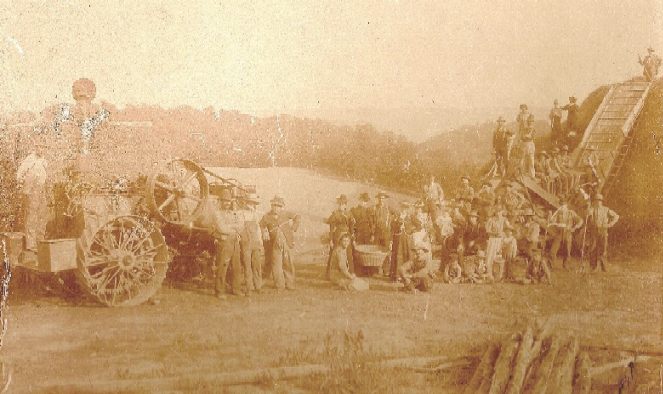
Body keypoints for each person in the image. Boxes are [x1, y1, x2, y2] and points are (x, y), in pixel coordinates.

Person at [260, 196, 300, 290]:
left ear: (282, 207)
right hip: (275, 244)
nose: (276, 208)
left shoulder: (286, 214)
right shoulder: (266, 216)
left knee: (288, 263)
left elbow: (298, 216)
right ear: (271, 205)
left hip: (286, 242)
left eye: (278, 206)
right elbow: (261, 225)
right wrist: (264, 232)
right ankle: (279, 285)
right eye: (274, 205)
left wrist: (294, 227)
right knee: (276, 264)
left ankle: (290, 284)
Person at [16, 138, 49, 252]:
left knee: (43, 215)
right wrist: (22, 186)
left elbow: (45, 176)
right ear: (36, 148)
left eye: (43, 147)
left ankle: (40, 241)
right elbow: (20, 173)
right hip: (32, 190)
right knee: (32, 216)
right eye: (39, 147)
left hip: (41, 189)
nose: (41, 149)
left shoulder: (44, 160)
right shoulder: (30, 159)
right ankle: (31, 244)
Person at [211, 188, 245, 299]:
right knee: (223, 266)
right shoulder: (217, 214)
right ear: (220, 201)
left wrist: (232, 227)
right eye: (224, 201)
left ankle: (236, 289)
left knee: (236, 266)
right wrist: (234, 227)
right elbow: (221, 228)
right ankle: (220, 291)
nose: (227, 203)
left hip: (235, 242)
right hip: (224, 243)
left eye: (228, 201)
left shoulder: (233, 213)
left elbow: (241, 226)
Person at [586, 193, 619, 272]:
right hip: (594, 230)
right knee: (593, 248)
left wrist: (610, 224)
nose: (598, 202)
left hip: (603, 230)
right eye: (596, 200)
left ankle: (604, 268)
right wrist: (588, 209)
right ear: (594, 201)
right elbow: (587, 215)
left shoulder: (606, 209)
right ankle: (592, 267)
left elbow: (616, 216)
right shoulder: (592, 209)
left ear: (602, 201)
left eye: (599, 200)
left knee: (603, 249)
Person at [324, 194, 355, 279]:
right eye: (340, 204)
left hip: (347, 236)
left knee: (348, 254)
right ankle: (330, 274)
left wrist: (352, 236)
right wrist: (330, 240)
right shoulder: (335, 214)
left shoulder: (349, 213)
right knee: (334, 253)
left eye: (343, 204)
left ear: (346, 205)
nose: (341, 206)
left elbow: (352, 226)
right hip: (337, 236)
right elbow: (331, 228)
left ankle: (350, 273)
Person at [548, 198, 584, 270]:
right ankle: (551, 265)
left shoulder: (571, 213)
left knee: (567, 250)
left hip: (568, 232)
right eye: (560, 205)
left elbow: (580, 220)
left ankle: (566, 265)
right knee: (553, 249)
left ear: (566, 205)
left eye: (563, 205)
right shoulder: (558, 213)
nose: (561, 206)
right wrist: (549, 215)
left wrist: (575, 227)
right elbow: (551, 221)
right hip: (559, 232)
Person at [240, 192, 265, 295]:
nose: (252, 205)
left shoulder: (257, 214)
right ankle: (248, 288)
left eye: (253, 203)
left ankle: (258, 286)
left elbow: (258, 229)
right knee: (247, 265)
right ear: (246, 202)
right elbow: (240, 228)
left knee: (257, 264)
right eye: (250, 203)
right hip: (246, 242)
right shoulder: (241, 213)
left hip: (255, 242)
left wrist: (260, 242)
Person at [484, 206, 510, 282]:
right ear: (495, 212)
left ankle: (499, 275)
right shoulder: (491, 220)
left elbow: (509, 227)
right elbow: (487, 230)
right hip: (492, 240)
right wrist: (494, 233)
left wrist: (505, 233)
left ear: (502, 212)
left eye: (500, 212)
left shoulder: (504, 220)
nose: (499, 213)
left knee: (499, 256)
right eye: (497, 212)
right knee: (490, 256)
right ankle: (489, 274)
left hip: (500, 240)